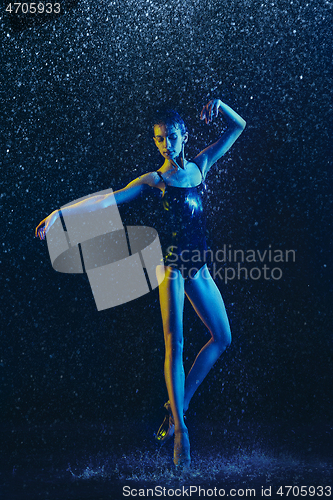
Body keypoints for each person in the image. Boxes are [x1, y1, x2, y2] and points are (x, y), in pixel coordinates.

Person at [36, 98, 246, 468]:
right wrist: (58, 214)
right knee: (175, 343)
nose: (166, 145)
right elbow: (108, 202)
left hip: (200, 269)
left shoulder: (200, 167)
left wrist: (220, 105)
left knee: (223, 337)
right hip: (172, 269)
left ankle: (175, 405)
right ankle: (180, 430)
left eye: (171, 137)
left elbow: (238, 127)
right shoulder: (156, 180)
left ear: (184, 135)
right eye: (159, 140)